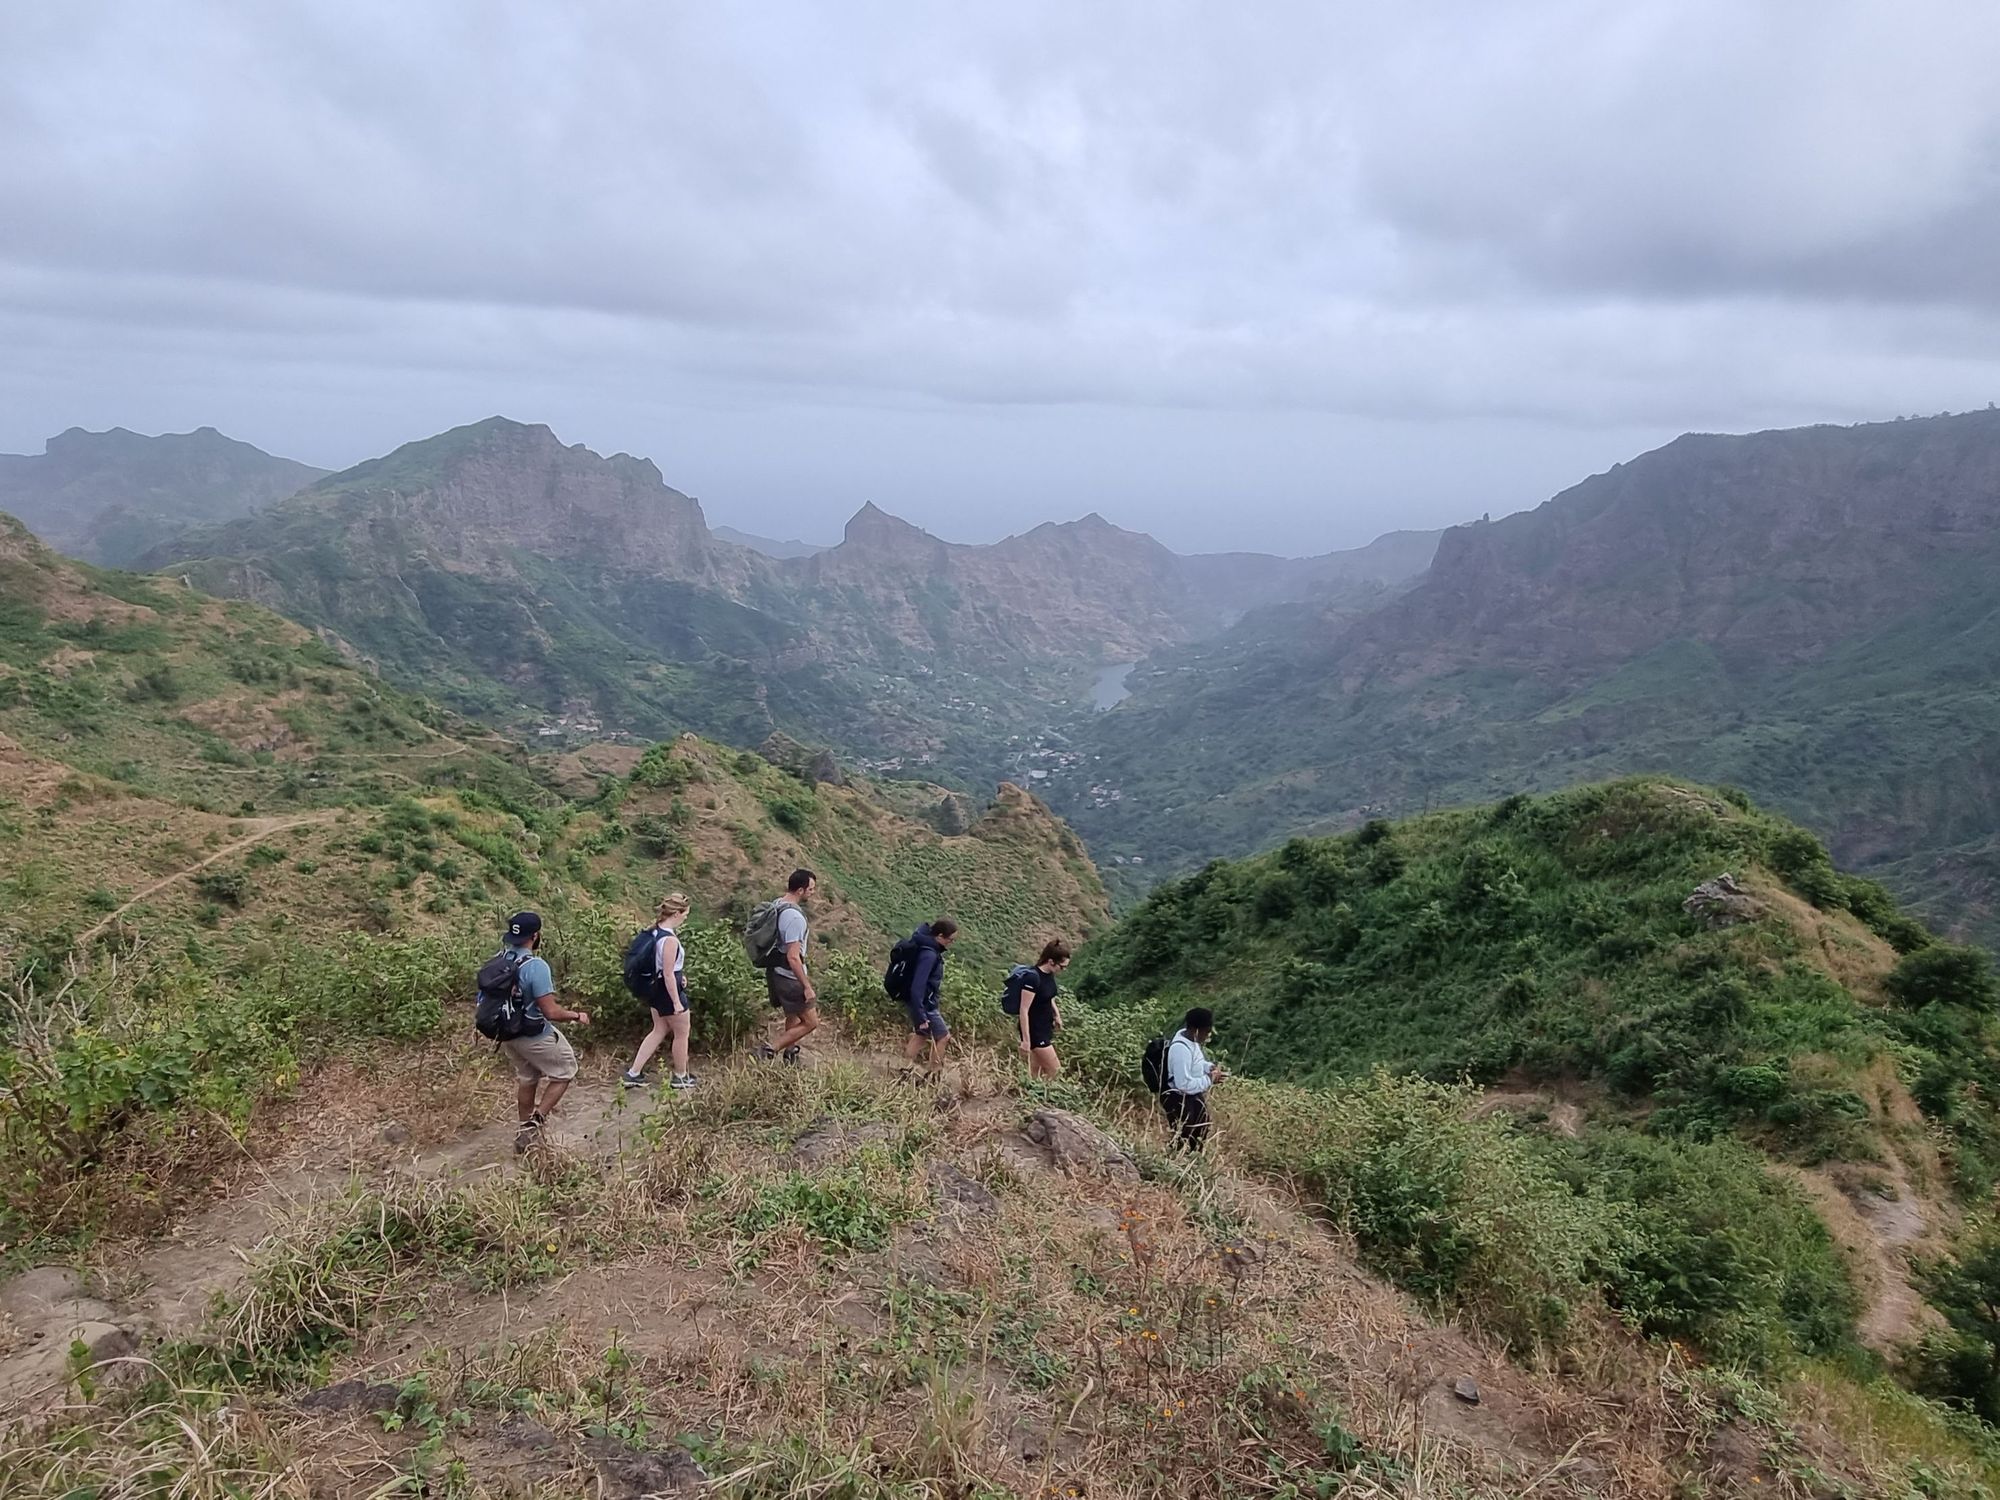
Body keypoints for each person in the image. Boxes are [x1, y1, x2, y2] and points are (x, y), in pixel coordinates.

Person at [494, 911, 591, 1153]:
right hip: (532, 1034)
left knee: (528, 1077)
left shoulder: (499, 958)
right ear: (535, 936)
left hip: (506, 1032)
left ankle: (524, 1130)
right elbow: (550, 1011)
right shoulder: (535, 966)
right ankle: (534, 1124)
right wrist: (576, 1015)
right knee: (565, 1070)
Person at [619, 893, 695, 1091]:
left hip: (655, 988)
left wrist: (681, 975)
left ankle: (634, 1073)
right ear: (677, 913)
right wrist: (677, 1001)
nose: (686, 917)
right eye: (685, 913)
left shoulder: (653, 931)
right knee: (682, 1033)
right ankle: (680, 1076)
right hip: (668, 990)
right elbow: (669, 974)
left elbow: (663, 966)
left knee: (659, 1029)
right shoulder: (670, 939)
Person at [757, 869, 818, 1064]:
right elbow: (793, 957)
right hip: (789, 977)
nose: (813, 892)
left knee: (792, 1014)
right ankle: (769, 1049)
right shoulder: (795, 918)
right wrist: (807, 986)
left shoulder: (778, 904)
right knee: (810, 1022)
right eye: (811, 889)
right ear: (800, 890)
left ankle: (790, 1055)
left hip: (775, 970)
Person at [899, 917, 958, 1077]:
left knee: (921, 1034)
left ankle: (905, 1069)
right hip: (925, 1003)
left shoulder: (925, 948)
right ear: (939, 936)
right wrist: (921, 1013)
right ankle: (933, 1074)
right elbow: (918, 984)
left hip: (919, 1002)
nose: (951, 943)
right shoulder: (929, 955)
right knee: (943, 1036)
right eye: (950, 940)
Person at [1163, 1007, 1224, 1152]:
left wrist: (1208, 1067)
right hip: (1180, 1099)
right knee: (1183, 1135)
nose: (1208, 1035)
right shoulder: (1180, 1049)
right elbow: (1183, 1084)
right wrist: (1209, 1079)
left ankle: (1193, 1161)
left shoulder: (1191, 1041)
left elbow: (1196, 1063)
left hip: (1193, 1095)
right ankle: (1176, 1163)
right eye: (1207, 1031)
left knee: (1201, 1128)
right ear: (1196, 1030)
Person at [1016, 939, 1071, 1078]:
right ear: (1051, 961)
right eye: (1062, 966)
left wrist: (1056, 1015)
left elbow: (1049, 997)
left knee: (1036, 1073)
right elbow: (1023, 1009)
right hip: (1035, 1031)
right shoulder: (1032, 978)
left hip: (1045, 1027)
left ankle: (1031, 1095)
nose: (1063, 970)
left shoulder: (1049, 976)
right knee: (1056, 1071)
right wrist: (1026, 1041)